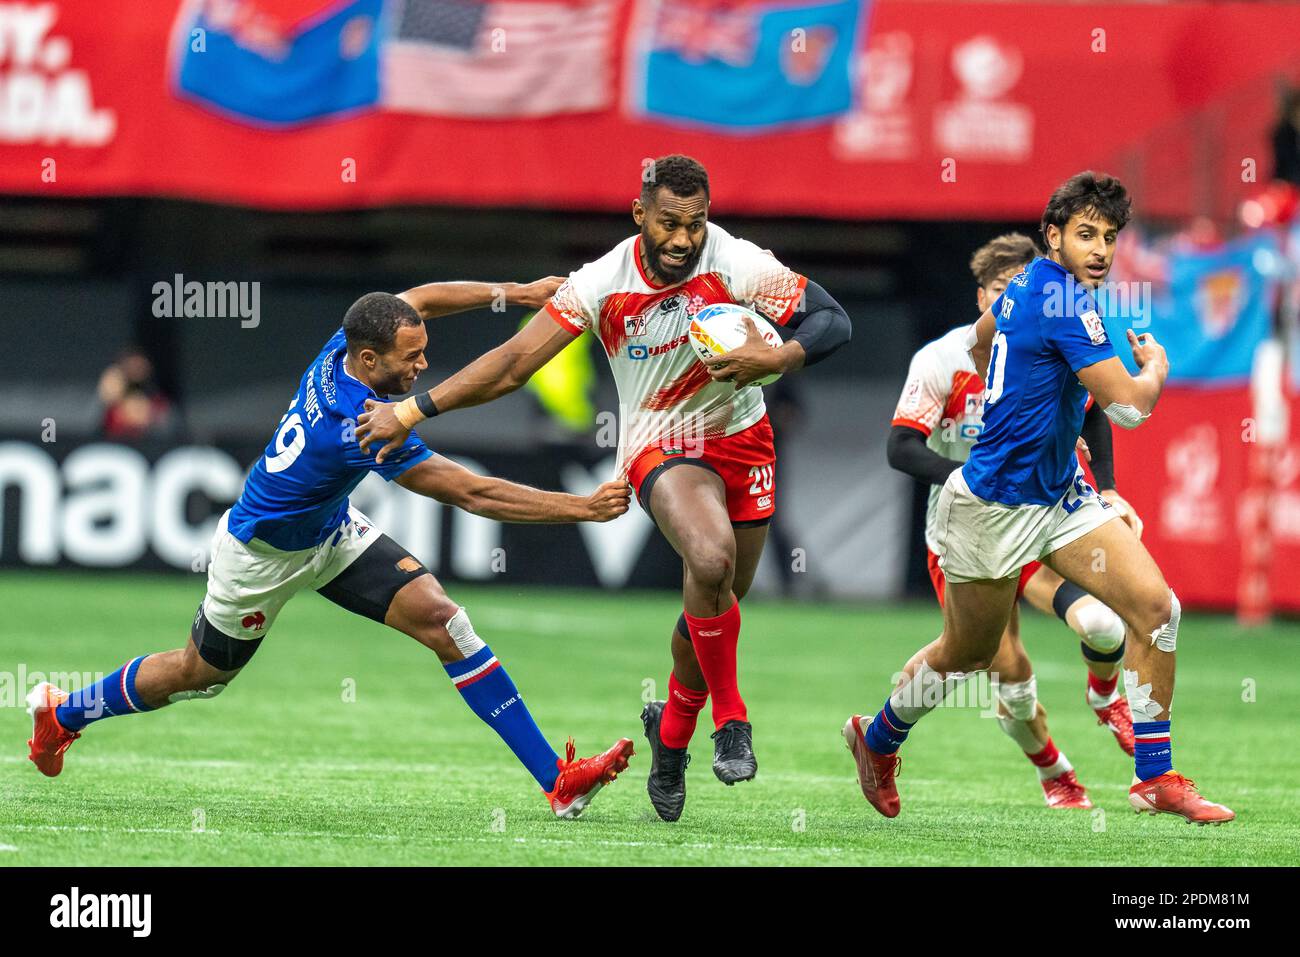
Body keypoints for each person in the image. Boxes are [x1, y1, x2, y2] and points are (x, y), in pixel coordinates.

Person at [355, 155, 851, 822]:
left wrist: (781, 355)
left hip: (746, 439)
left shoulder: (733, 259)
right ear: (639, 213)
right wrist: (412, 411)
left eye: (696, 223)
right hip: (661, 444)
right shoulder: (600, 282)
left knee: (715, 605)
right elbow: (511, 365)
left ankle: (669, 735)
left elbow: (831, 320)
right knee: (709, 561)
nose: (683, 238)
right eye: (670, 222)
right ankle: (731, 719)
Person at [28, 278, 636, 819]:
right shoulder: (362, 427)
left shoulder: (343, 348)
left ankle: (557, 781)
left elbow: (418, 297)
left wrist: (520, 292)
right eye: (412, 357)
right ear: (371, 359)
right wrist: (579, 508)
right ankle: (64, 714)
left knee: (447, 622)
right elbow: (473, 494)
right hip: (260, 559)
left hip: (332, 531)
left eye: (422, 349)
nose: (424, 363)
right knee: (198, 675)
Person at [846, 172, 1234, 824]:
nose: (1102, 249)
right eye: (1086, 234)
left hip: (1058, 497)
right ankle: (876, 737)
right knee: (968, 654)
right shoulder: (1065, 305)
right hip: (990, 504)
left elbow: (979, 338)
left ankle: (1155, 776)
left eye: (1109, 236)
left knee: (1155, 609)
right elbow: (1132, 408)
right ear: (1053, 235)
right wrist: (1157, 368)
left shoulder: (1028, 284)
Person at [888, 232, 1140, 809]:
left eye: (1024, 291)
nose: (1014, 303)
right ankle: (1054, 770)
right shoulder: (943, 359)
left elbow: (1096, 412)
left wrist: (1107, 489)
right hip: (971, 531)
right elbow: (900, 447)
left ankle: (1106, 698)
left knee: (1105, 624)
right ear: (983, 298)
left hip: (1043, 518)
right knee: (1008, 674)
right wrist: (962, 479)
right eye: (1002, 292)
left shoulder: (1053, 342)